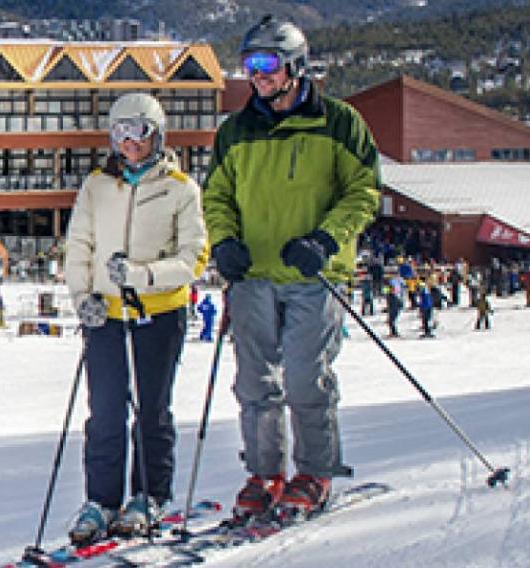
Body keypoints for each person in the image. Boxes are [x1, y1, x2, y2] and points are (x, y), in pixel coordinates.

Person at [204, 15, 379, 524]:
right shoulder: (235, 131)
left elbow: (364, 192)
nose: (256, 75)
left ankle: (315, 472)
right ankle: (264, 474)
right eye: (249, 64)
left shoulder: (340, 122)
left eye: (266, 63)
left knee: (306, 377)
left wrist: (326, 240)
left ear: (295, 66)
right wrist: (225, 242)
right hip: (253, 273)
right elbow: (217, 196)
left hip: (311, 273)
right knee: (256, 384)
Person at [61, 92, 208, 544]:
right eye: (120, 132)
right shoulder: (97, 186)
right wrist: (82, 294)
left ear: (157, 134)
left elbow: (194, 257)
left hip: (158, 312)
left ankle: (149, 493)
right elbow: (79, 244)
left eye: (138, 131)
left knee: (151, 408)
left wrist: (143, 276)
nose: (129, 142)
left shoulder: (180, 188)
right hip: (105, 314)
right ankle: (102, 500)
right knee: (104, 410)